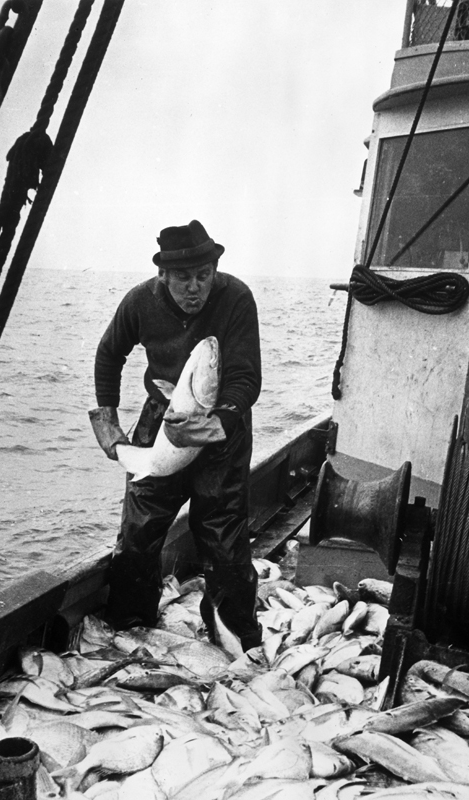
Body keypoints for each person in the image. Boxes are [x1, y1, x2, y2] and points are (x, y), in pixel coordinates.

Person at [93, 219, 262, 651]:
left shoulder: (236, 297)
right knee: (138, 533)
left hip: (221, 427)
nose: (195, 288)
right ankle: (131, 629)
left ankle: (236, 641)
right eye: (183, 278)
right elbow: (110, 353)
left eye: (203, 276)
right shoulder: (139, 302)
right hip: (162, 423)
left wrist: (217, 422)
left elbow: (244, 376)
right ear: (162, 275)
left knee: (224, 545)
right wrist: (107, 420)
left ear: (215, 271)